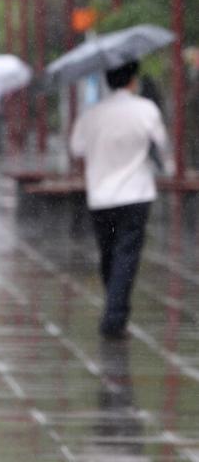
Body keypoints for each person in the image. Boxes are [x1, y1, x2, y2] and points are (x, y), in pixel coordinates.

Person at [70, 60, 168, 340]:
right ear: (132, 80)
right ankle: (114, 316)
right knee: (126, 254)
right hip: (136, 194)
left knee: (109, 253)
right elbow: (161, 142)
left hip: (101, 196)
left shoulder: (92, 114)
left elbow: (76, 148)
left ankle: (115, 310)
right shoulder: (146, 109)